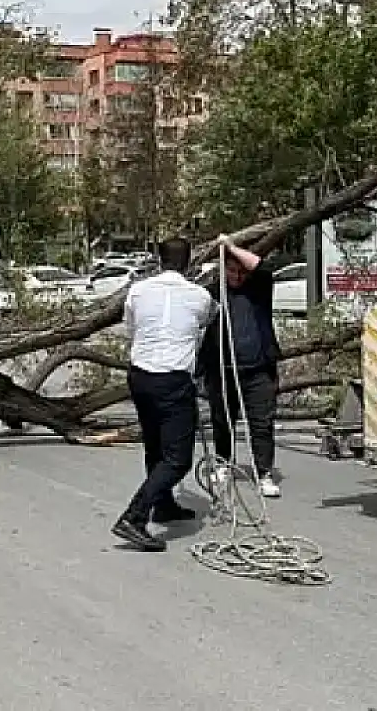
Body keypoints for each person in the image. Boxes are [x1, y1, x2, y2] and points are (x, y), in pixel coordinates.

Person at [111, 236, 216, 553]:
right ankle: (135, 516)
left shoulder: (138, 290)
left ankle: (164, 504)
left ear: (159, 260)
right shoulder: (199, 296)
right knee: (178, 458)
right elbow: (208, 320)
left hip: (141, 375)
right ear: (189, 262)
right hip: (172, 379)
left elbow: (130, 328)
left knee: (155, 446)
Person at [198, 236, 283, 499]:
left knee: (262, 422)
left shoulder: (258, 288)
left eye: (240, 271)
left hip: (258, 369)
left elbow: (263, 268)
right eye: (231, 270)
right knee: (223, 421)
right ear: (222, 270)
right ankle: (223, 463)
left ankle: (264, 472)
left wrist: (231, 246)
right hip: (221, 369)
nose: (236, 276)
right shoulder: (211, 293)